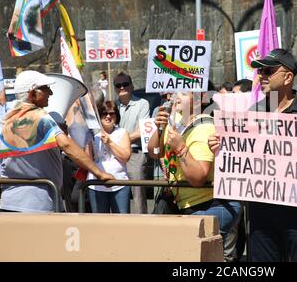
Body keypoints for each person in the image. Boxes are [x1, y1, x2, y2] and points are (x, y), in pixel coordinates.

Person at [209, 48, 297, 262]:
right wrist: (220, 148)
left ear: (288, 77)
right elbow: (242, 155)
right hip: (261, 216)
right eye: (260, 71)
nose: (261, 76)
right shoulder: (255, 111)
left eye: (268, 71)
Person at [0, 70, 114, 213]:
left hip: (8, 202)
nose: (50, 93)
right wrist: (100, 173)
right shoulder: (40, 116)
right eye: (46, 88)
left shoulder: (4, 120)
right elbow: (66, 144)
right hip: (38, 204)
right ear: (32, 94)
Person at [148, 86, 240, 248]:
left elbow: (198, 178)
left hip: (208, 206)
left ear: (198, 98)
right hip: (186, 204)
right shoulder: (174, 121)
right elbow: (155, 153)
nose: (176, 97)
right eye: (175, 92)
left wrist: (181, 149)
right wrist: (159, 128)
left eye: (183, 93)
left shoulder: (204, 127)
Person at [114, 72, 150, 214]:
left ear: (132, 86)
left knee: (138, 195)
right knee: (117, 193)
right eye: (118, 85)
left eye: (125, 84)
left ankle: (143, 226)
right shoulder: (112, 106)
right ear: (115, 88)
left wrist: (117, 140)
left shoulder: (142, 104)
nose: (122, 87)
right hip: (115, 154)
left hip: (135, 154)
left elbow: (141, 132)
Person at [86, 101, 131, 213]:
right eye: (104, 114)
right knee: (100, 223)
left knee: (121, 221)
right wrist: (86, 141)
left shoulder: (122, 132)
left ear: (116, 116)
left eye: (112, 113)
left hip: (120, 183)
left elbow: (125, 157)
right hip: (96, 185)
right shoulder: (92, 135)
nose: (108, 116)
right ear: (99, 116)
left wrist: (109, 143)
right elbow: (88, 160)